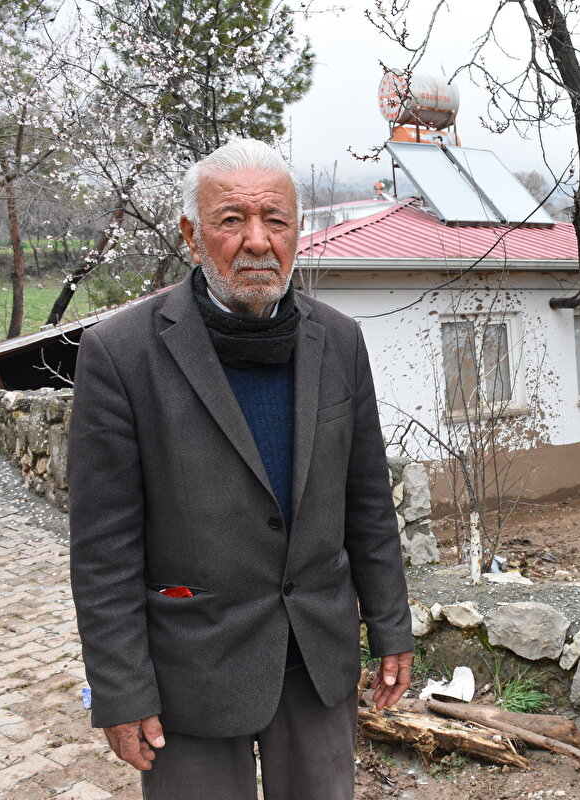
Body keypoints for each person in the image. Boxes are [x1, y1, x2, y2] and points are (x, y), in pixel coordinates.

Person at [68, 138, 414, 800]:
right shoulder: (120, 355)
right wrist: (120, 688)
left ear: (297, 231)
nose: (258, 241)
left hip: (316, 660)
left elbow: (367, 500)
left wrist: (392, 627)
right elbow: (104, 548)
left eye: (275, 220)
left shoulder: (338, 341)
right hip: (189, 669)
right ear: (192, 236)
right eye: (232, 220)